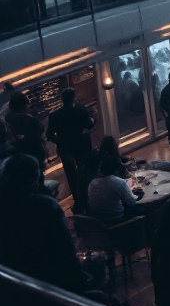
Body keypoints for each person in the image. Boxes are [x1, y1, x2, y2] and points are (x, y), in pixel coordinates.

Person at [0, 154, 90, 293]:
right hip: (53, 278)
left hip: (19, 286)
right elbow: (65, 250)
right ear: (34, 178)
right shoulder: (44, 206)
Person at [45, 87, 95, 211]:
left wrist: (60, 142)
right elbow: (89, 124)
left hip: (66, 149)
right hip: (83, 146)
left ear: (62, 100)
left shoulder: (54, 115)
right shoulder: (81, 110)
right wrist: (91, 124)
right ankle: (90, 198)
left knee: (71, 175)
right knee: (86, 172)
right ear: (73, 97)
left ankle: (78, 202)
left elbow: (49, 135)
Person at [87, 155, 143, 224]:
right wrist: (139, 193)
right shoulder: (119, 182)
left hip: (99, 222)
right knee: (143, 209)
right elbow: (132, 202)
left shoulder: (92, 184)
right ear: (116, 170)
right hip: (117, 220)